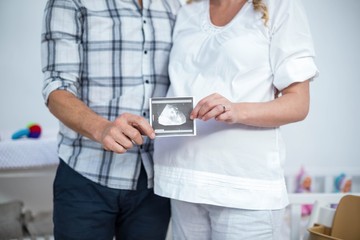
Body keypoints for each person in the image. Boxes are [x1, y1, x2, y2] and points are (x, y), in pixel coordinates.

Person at [153, 0, 319, 239]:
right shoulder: (186, 10)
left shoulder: (281, 6)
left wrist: (236, 110)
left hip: (243, 186)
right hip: (183, 180)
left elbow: (298, 104)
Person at [41, 0, 183, 239]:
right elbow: (56, 88)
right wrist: (102, 128)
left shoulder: (175, 5)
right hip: (86, 176)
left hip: (153, 180)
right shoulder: (70, 2)